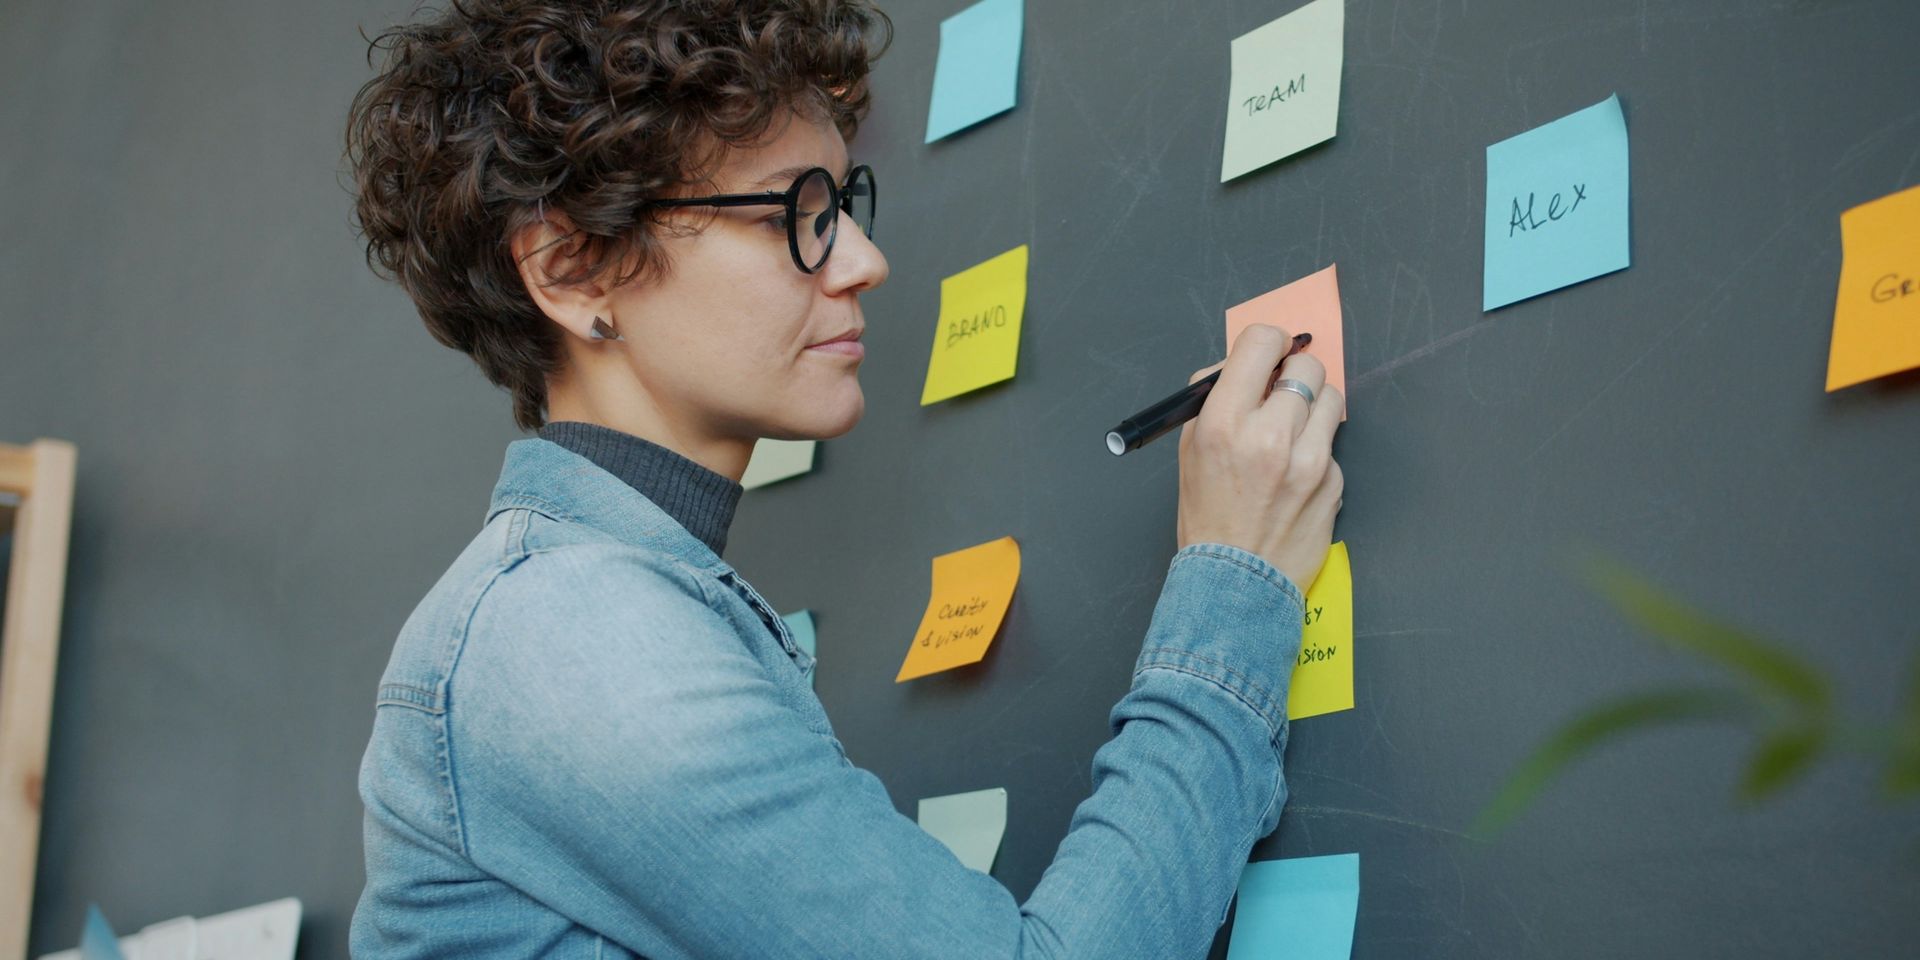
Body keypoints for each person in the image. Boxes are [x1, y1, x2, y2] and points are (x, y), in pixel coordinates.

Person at [342, 1, 1344, 957]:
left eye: (844, 203)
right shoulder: (572, 634)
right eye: (794, 212)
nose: (864, 260)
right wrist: (1233, 578)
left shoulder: (591, 610)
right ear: (572, 270)